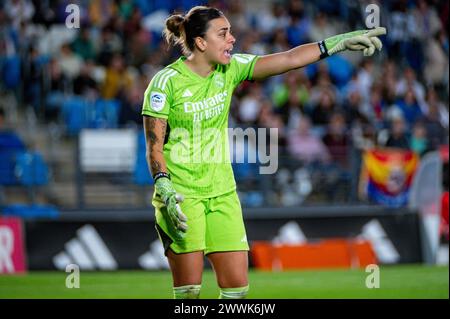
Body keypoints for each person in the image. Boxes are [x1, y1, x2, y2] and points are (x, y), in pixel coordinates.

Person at [141, 5, 385, 299]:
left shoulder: (230, 69)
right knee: (190, 293)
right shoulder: (165, 83)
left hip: (222, 194)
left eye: (230, 31)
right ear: (201, 42)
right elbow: (154, 146)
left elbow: (290, 58)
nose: (232, 39)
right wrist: (164, 185)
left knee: (237, 291)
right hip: (180, 195)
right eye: (223, 33)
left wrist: (338, 43)